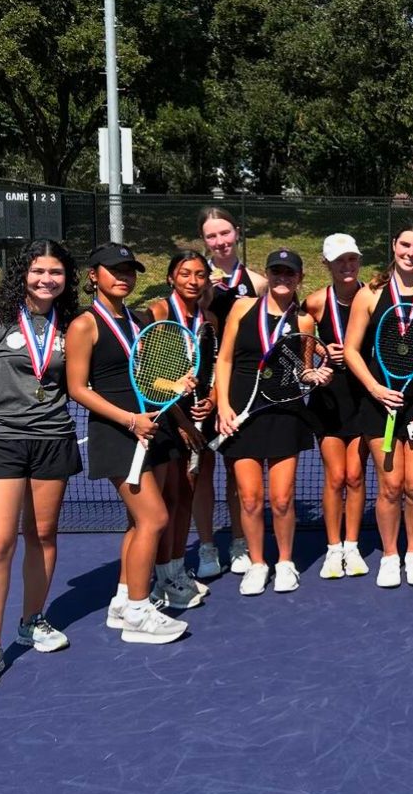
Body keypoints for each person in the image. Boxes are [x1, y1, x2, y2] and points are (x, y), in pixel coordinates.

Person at [0, 240, 83, 690]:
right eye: (38, 271)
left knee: (43, 534)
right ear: (22, 274)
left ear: (66, 278)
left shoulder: (72, 325)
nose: (46, 279)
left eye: (56, 272)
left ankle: (32, 620)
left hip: (52, 440)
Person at [66, 244, 189, 644]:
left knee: (139, 521)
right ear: (94, 275)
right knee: (155, 518)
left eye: (130, 270)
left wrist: (175, 385)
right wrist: (128, 420)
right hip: (116, 433)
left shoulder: (137, 321)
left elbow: (143, 377)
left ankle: (122, 600)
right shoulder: (85, 323)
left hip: (146, 431)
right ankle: (139, 611)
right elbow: (77, 388)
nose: (124, 276)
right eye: (114, 269)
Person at [215, 249, 330, 595]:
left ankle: (284, 562)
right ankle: (257, 563)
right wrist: (222, 405)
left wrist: (316, 375)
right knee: (249, 499)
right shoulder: (241, 308)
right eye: (276, 272)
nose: (283, 278)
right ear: (267, 275)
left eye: (289, 273)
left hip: (284, 413)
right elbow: (224, 360)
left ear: (299, 279)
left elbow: (302, 371)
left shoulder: (304, 321)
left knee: (282, 499)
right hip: (242, 411)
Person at [344, 223, 413, 588]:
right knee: (390, 485)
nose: (411, 253)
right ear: (394, 246)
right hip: (380, 402)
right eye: (405, 245)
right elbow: (351, 350)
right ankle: (390, 556)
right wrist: (375, 389)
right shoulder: (370, 295)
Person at [143, 251, 217, 609]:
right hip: (164, 420)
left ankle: (174, 570)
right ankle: (158, 579)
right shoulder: (157, 313)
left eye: (200, 274)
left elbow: (212, 370)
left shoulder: (210, 319)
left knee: (186, 495)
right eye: (185, 273)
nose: (193, 280)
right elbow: (146, 376)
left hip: (197, 420)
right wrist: (183, 422)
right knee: (166, 500)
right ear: (172, 277)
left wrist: (212, 400)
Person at [199, 206, 265, 576]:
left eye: (224, 233)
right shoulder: (194, 277)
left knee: (238, 470)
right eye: (211, 236)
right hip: (200, 385)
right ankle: (207, 546)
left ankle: (240, 541)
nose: (220, 241)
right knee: (200, 470)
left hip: (241, 388)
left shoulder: (258, 282)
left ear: (236, 233)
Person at [303, 234, 370, 580]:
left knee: (356, 476)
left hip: (363, 397)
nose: (347, 266)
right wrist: (321, 356)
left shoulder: (372, 297)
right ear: (326, 264)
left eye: (352, 260)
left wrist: (357, 357)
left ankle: (353, 546)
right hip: (328, 400)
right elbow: (302, 345)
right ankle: (333, 549)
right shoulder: (314, 303)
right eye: (339, 261)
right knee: (336, 476)